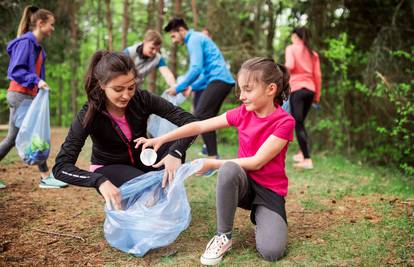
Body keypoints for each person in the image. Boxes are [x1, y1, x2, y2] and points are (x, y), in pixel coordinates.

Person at [135, 57, 295, 265]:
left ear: (270, 89)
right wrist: (161, 138)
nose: (242, 96)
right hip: (242, 183)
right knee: (230, 169)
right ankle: (223, 236)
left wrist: (211, 164)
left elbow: (256, 162)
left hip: (269, 191)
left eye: (247, 89)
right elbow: (200, 126)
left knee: (272, 252)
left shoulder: (284, 122)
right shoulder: (242, 113)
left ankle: (263, 215)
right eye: (240, 90)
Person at [52, 51, 197, 210]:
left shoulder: (142, 99)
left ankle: (161, 196)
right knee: (146, 193)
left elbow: (190, 122)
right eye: (118, 89)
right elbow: (61, 167)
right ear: (102, 85)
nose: (126, 95)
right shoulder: (89, 114)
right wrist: (98, 181)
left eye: (131, 87)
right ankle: (150, 198)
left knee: (174, 149)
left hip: (143, 158)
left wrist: (176, 152)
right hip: (110, 167)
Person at [0, 5, 67, 189]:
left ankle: (45, 176)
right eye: (51, 24)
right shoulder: (26, 43)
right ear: (40, 23)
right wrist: (36, 81)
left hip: (26, 95)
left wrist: (40, 87)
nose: (53, 28)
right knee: (35, 135)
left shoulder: (38, 48)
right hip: (19, 94)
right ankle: (45, 176)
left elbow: (36, 74)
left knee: (12, 138)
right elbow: (16, 70)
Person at [164, 17, 235, 176]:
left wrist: (178, 87)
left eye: (173, 36)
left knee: (202, 115)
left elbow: (196, 68)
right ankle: (213, 159)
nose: (174, 40)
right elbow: (204, 73)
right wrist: (192, 87)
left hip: (220, 79)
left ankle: (212, 159)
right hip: (219, 80)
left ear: (181, 30)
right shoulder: (198, 38)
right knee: (206, 117)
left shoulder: (193, 39)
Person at [285, 26, 321, 169]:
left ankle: (307, 160)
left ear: (295, 36)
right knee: (301, 122)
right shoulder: (313, 53)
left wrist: (279, 69)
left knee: (298, 123)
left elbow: (290, 65)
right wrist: (317, 96)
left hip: (297, 89)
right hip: (310, 90)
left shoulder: (291, 48)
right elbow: (318, 75)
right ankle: (302, 153)